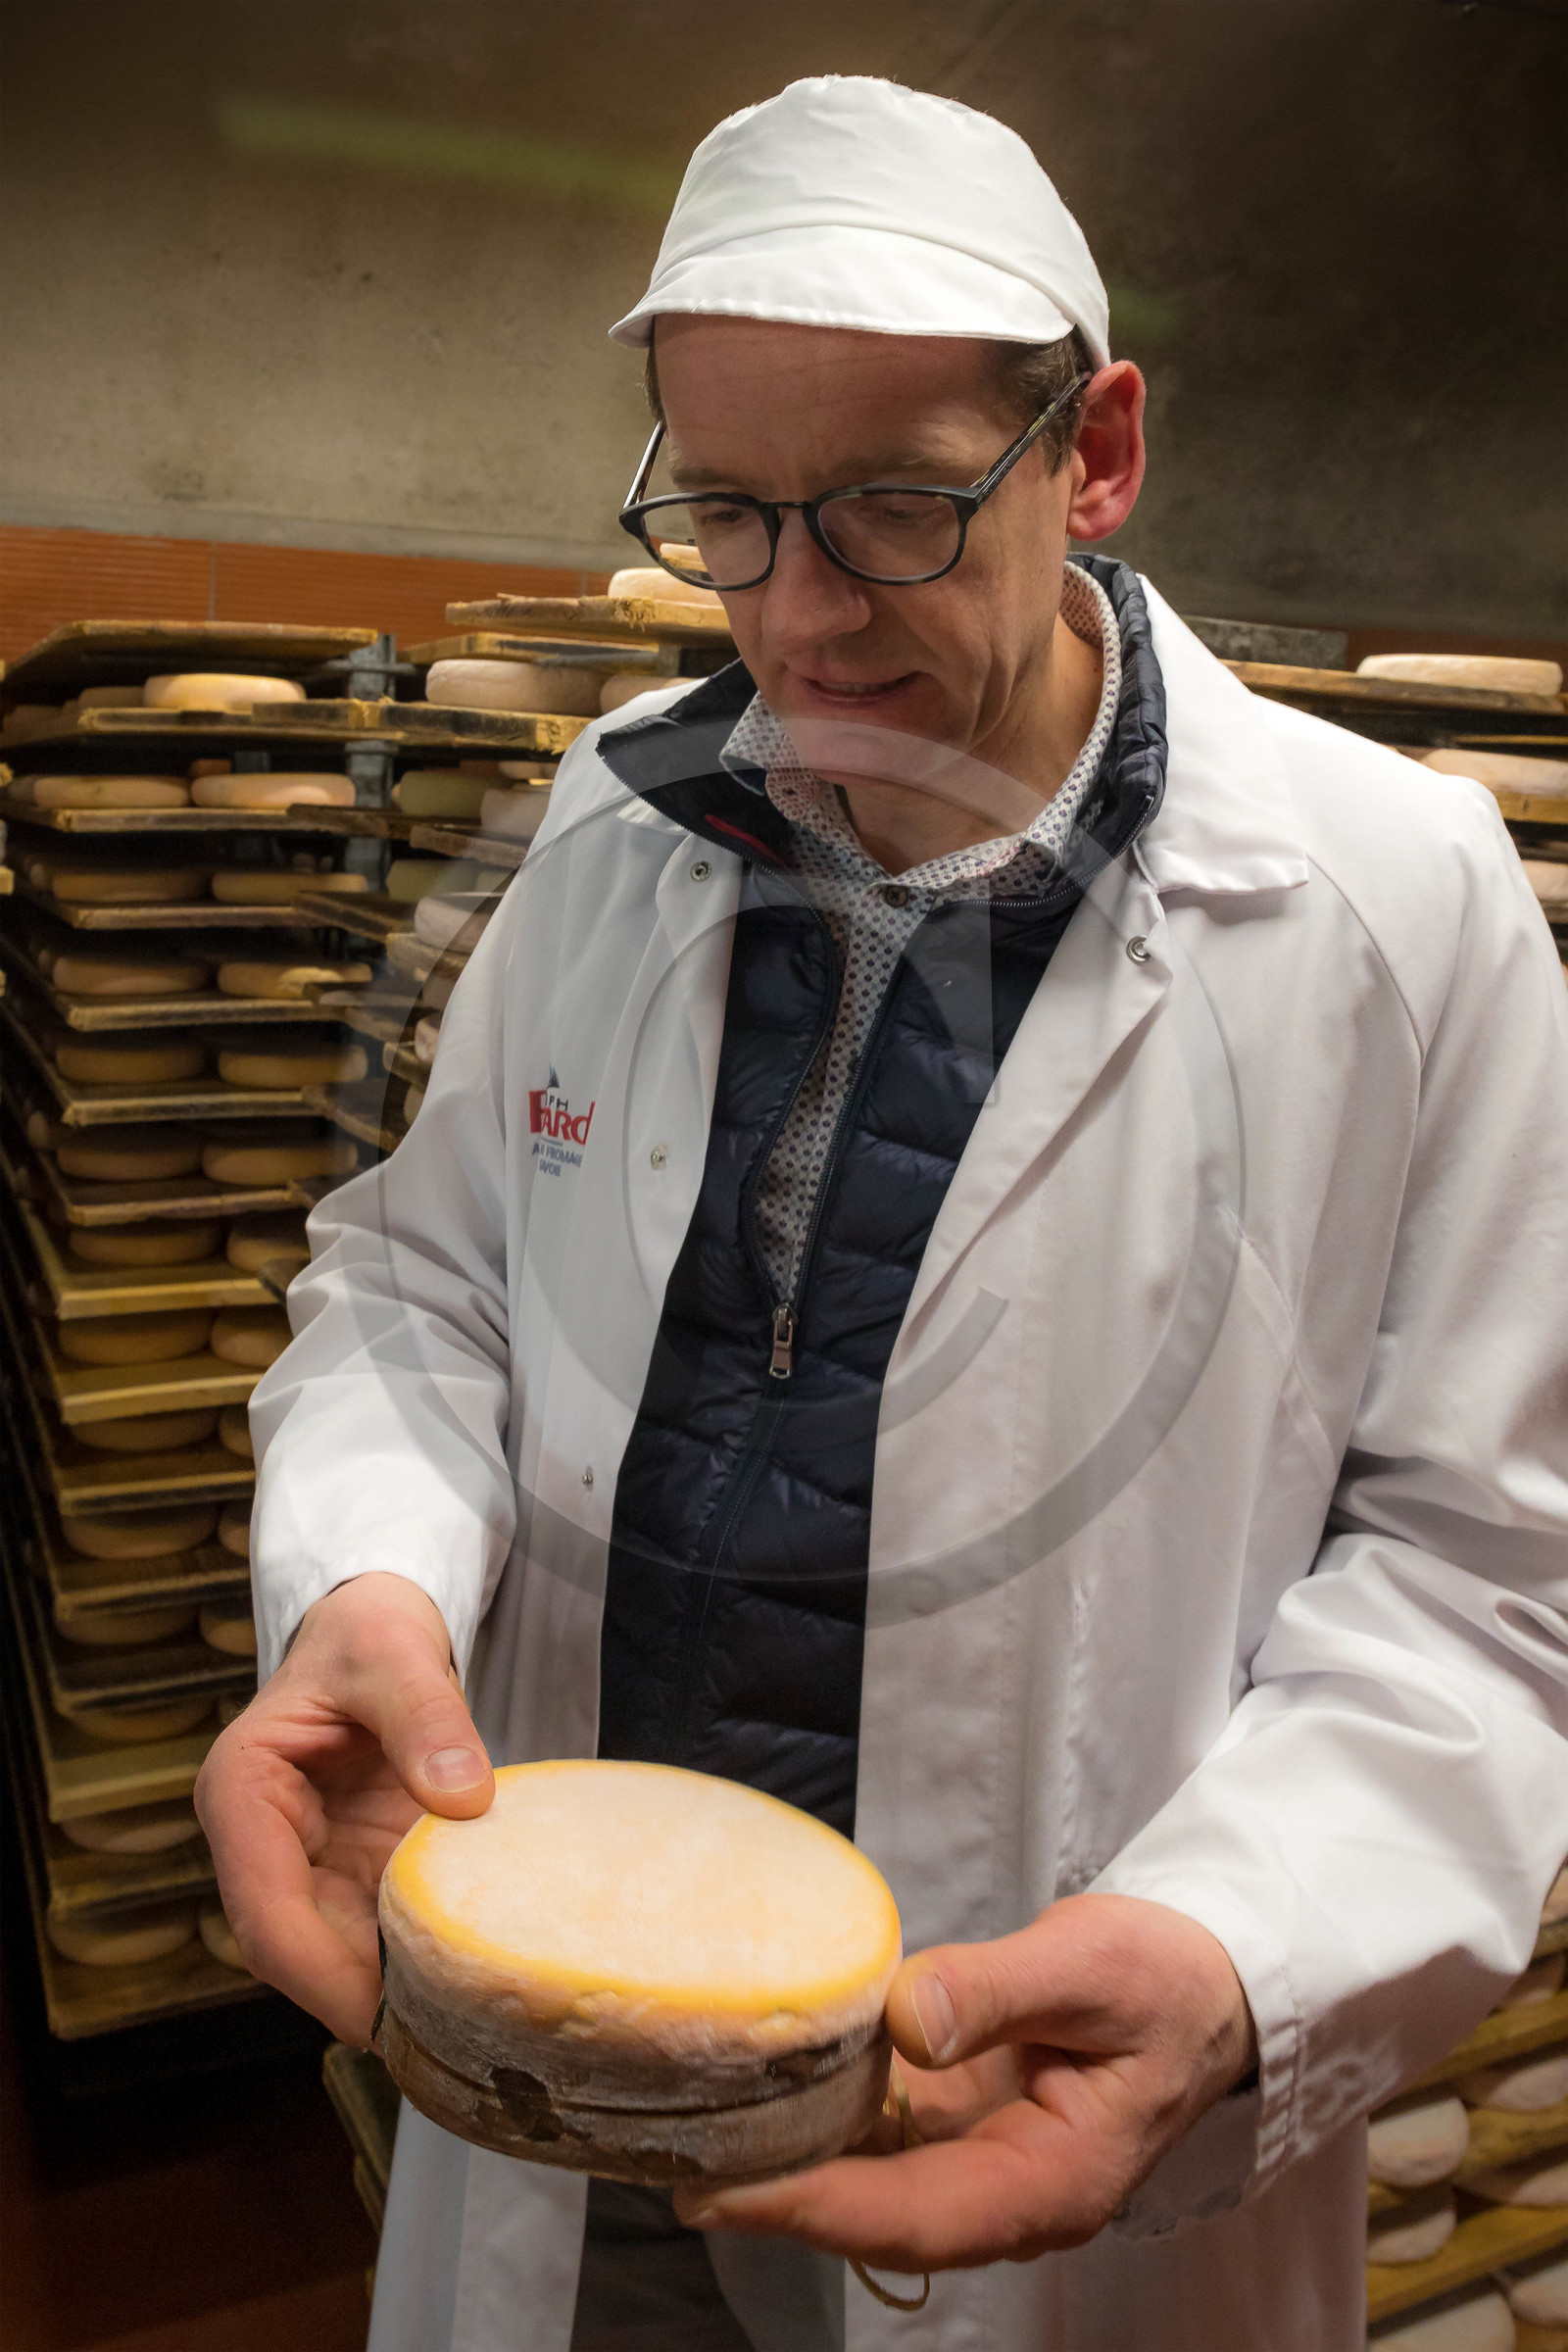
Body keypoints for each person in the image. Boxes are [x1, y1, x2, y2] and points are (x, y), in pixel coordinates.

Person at [196, 75, 1568, 2352]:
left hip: (1017, 2094)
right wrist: (366, 1572)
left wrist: (1238, 1952)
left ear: (1092, 452)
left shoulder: (1391, 907)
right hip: (563, 2037)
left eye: (894, 510)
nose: (799, 614)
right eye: (724, 514)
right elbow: (426, 1286)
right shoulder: (614, 822)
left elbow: (1486, 1571)